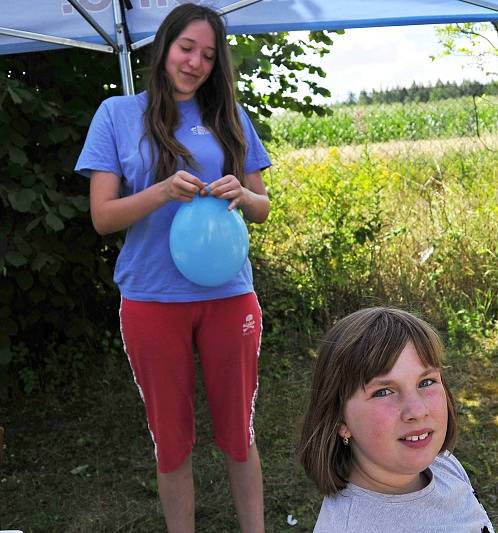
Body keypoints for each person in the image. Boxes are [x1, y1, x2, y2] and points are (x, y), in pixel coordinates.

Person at [74, 4, 270, 532]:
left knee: (238, 432)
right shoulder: (116, 115)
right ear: (163, 47)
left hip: (230, 296)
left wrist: (241, 194)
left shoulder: (229, 115)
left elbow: (263, 205)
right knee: (171, 440)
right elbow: (101, 217)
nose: (196, 63)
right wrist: (161, 191)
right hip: (152, 300)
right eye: (187, 48)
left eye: (208, 55)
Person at [297, 307, 494, 533]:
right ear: (340, 420)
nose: (418, 411)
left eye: (426, 382)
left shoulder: (444, 465)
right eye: (384, 392)